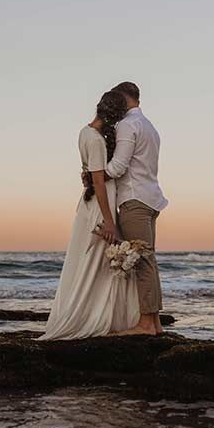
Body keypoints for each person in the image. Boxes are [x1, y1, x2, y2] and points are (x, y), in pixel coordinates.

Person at [40, 90, 140, 340]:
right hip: (99, 205)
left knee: (93, 262)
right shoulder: (95, 140)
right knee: (96, 263)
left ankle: (95, 314)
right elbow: (98, 181)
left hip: (93, 202)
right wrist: (109, 220)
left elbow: (93, 176)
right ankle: (91, 317)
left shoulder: (85, 132)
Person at [105, 82, 168, 336]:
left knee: (142, 261)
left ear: (122, 98)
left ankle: (145, 324)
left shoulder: (127, 125)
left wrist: (94, 175)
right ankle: (155, 323)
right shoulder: (150, 127)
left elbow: (119, 166)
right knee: (148, 260)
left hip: (134, 199)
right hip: (150, 198)